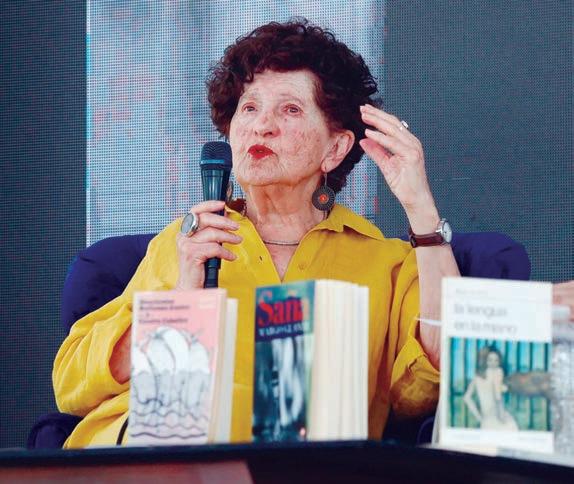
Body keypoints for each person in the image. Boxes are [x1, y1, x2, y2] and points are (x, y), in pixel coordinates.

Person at [53, 19, 460, 448]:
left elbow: (428, 385)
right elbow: (72, 381)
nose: (261, 125)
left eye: (290, 110)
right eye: (249, 108)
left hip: (306, 467)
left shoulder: (383, 261)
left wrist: (420, 207)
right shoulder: (188, 241)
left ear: (335, 148)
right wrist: (180, 302)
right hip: (161, 456)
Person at [463, 346, 518, 431]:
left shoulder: (477, 377)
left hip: (487, 420)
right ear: (484, 360)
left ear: (499, 361)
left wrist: (479, 418)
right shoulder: (498, 372)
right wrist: (502, 418)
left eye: (496, 360)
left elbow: (466, 398)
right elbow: (498, 397)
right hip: (498, 418)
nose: (493, 363)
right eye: (490, 360)